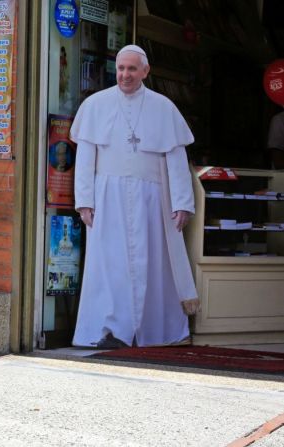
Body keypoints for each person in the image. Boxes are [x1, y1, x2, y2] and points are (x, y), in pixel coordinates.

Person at [70, 44, 200, 349]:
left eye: (131, 69)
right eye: (121, 68)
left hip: (152, 199)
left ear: (145, 71)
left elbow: (176, 159)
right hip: (107, 197)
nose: (125, 75)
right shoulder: (95, 105)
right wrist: (84, 200)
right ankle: (109, 330)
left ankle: (155, 330)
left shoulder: (163, 107)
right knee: (108, 264)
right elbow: (86, 156)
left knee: (152, 263)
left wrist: (182, 202)